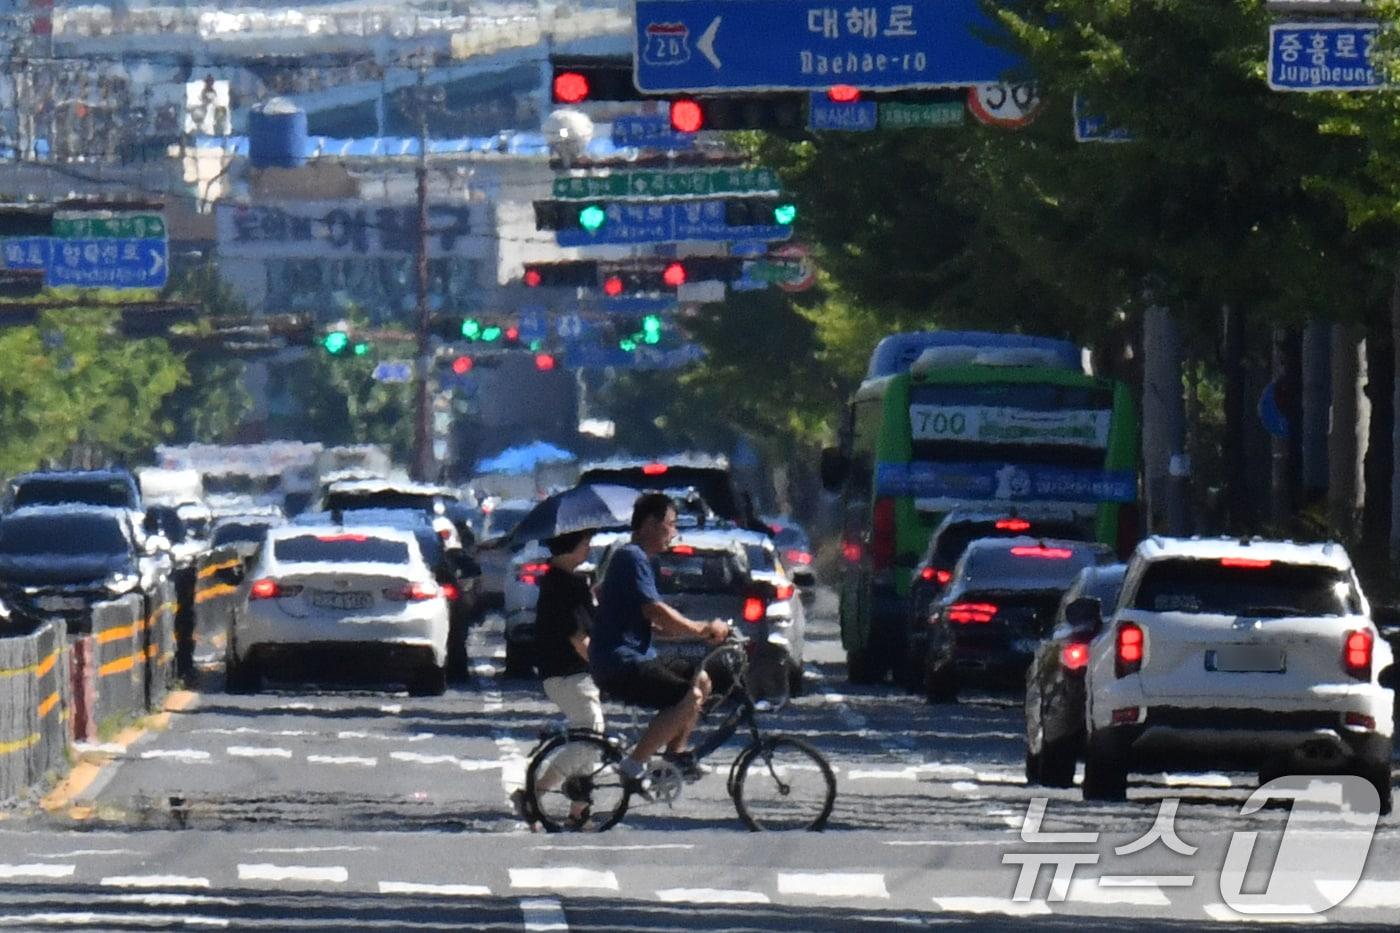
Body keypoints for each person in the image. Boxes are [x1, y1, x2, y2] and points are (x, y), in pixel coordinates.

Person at [591, 492, 731, 792]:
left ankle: (673, 757)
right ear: (651, 524)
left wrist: (694, 633)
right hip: (621, 662)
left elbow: (649, 620)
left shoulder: (640, 560)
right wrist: (700, 627)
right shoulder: (632, 557)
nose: (674, 532)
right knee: (689, 697)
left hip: (636, 654)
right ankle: (633, 765)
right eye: (671, 524)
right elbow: (654, 609)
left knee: (702, 680)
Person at [510, 529, 599, 830]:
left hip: (560, 671)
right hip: (568, 672)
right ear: (570, 548)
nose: (588, 549)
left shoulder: (558, 581)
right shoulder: (567, 586)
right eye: (585, 544)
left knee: (588, 735)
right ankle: (533, 795)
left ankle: (580, 809)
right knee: (590, 734)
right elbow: (577, 636)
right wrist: (602, 667)